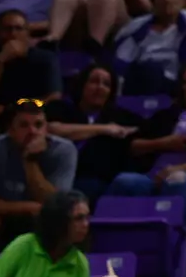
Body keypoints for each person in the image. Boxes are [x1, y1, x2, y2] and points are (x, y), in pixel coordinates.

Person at [107, 62, 186, 228]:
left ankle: (174, 245)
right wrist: (164, 143)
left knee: (175, 181)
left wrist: (180, 168)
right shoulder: (165, 115)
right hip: (154, 176)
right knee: (123, 181)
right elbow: (134, 146)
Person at [0, 101, 77, 251]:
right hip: (4, 217)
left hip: (43, 220)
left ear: (46, 128)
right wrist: (26, 207)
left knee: (63, 223)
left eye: (38, 125)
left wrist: (30, 161)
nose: (32, 131)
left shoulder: (63, 150)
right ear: (10, 130)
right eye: (24, 125)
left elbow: (55, 205)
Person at [47, 64, 142, 200]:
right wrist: (104, 129)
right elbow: (53, 130)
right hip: (56, 173)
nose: (100, 87)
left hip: (96, 182)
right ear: (82, 85)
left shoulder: (120, 117)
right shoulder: (61, 107)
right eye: (94, 81)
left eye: (106, 84)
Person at [111, 0, 186, 96]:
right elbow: (121, 62)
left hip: (179, 83)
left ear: (182, 0)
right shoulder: (137, 27)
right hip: (143, 81)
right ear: (153, 2)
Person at [0, 9, 64, 115]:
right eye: (7, 29)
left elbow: (53, 97)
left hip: (34, 116)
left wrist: (9, 109)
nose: (13, 34)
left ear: (27, 34)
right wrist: (0, 62)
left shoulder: (45, 59)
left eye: (19, 29)